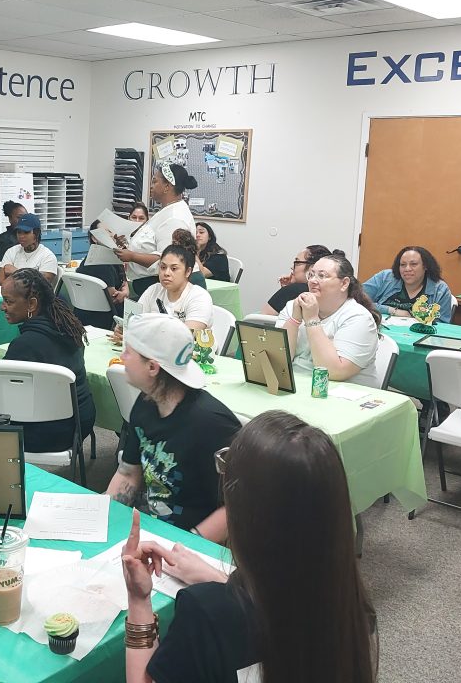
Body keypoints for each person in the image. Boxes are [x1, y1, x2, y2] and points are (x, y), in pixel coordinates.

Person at [120, 411, 377, 683]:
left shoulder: (206, 613)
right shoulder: (348, 601)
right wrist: (217, 578)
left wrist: (139, 601)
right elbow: (272, 612)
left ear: (244, 509)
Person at [105, 313, 241, 533]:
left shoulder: (212, 425)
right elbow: (129, 473)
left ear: (152, 367)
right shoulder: (146, 401)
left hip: (191, 540)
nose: (122, 357)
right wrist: (104, 513)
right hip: (150, 526)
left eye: (129, 352)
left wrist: (189, 543)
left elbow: (237, 507)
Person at [0, 268, 95, 453]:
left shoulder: (25, 345)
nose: (1, 307)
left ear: (32, 304)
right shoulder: (69, 328)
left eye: (8, 301)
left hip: (49, 434)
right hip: (79, 425)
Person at [276, 253, 381, 387]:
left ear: (344, 284)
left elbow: (334, 372)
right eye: (311, 275)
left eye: (322, 276)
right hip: (297, 386)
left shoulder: (358, 318)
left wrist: (311, 319)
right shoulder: (293, 306)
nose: (313, 280)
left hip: (343, 394)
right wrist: (295, 319)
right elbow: (279, 361)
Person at [116, 163, 197, 297]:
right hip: (149, 284)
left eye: (155, 181)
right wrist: (127, 247)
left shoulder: (174, 218)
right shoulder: (166, 211)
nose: (151, 186)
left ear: (167, 187)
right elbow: (150, 245)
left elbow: (167, 260)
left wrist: (131, 256)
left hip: (166, 286)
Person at [363, 245, 453, 323]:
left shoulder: (440, 289)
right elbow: (357, 300)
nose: (407, 269)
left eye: (413, 264)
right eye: (403, 265)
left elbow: (441, 325)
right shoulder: (385, 277)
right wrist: (391, 310)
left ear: (425, 266)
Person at [136, 245, 213, 331]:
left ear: (188, 272)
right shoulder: (153, 290)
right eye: (163, 267)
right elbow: (135, 322)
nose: (166, 273)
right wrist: (124, 331)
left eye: (174, 268)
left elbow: (187, 337)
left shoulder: (199, 296)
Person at [75, 220, 129, 327]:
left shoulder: (112, 256)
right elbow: (114, 297)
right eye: (106, 231)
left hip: (87, 316)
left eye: (111, 231)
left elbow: (124, 282)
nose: (111, 234)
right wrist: (125, 293)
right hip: (100, 317)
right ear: (94, 238)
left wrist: (126, 290)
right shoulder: (100, 262)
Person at [262, 244, 333, 315]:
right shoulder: (330, 293)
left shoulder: (294, 290)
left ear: (313, 268)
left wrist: (286, 291)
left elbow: (262, 319)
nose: (292, 267)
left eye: (297, 262)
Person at [0, 212, 58, 286]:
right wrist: (31, 277)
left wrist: (16, 272)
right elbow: (1, 282)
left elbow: (41, 286)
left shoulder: (48, 256)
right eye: (19, 232)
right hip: (13, 296)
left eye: (26, 232)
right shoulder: (11, 251)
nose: (21, 236)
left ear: (37, 233)